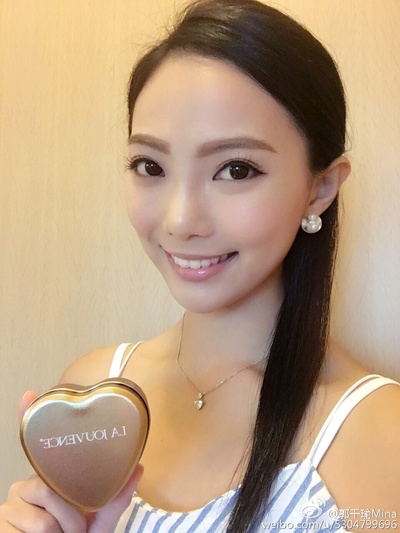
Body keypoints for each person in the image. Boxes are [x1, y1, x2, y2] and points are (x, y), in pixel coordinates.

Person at [1, 0, 400, 531]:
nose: (180, 220)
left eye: (235, 169)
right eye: (150, 165)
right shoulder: (94, 394)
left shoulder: (378, 435)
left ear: (320, 188)